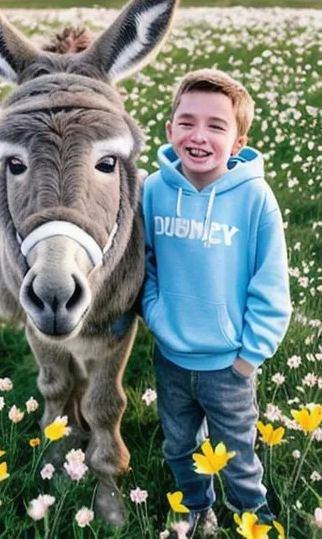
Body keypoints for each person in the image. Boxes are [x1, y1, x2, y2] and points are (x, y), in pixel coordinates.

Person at [141, 69, 292, 536]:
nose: (199, 136)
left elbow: (270, 286)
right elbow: (144, 264)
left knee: (237, 452)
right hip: (171, 357)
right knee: (179, 445)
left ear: (238, 139)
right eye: (186, 122)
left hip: (229, 365)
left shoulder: (255, 198)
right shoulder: (153, 189)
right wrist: (155, 312)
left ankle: (254, 518)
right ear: (170, 131)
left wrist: (249, 358)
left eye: (216, 126)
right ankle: (193, 509)